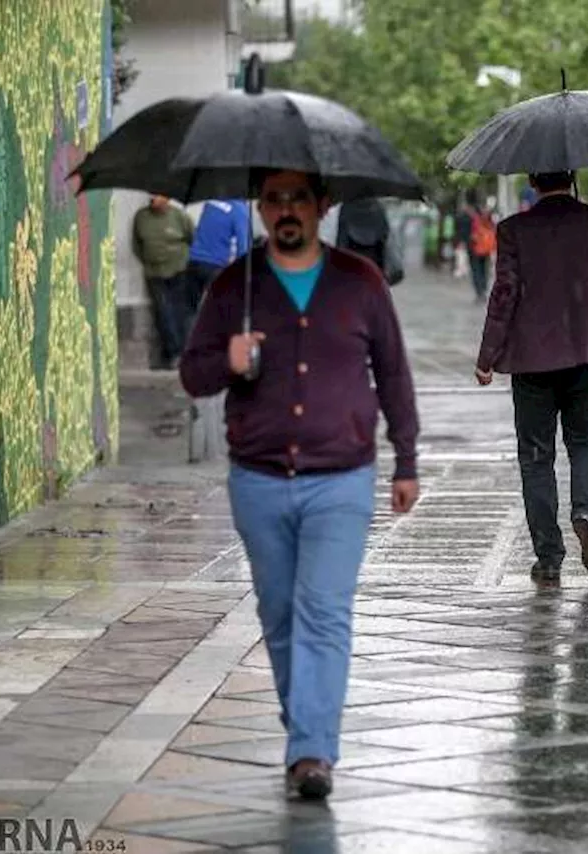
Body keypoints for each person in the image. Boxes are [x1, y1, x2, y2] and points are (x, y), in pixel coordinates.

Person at [178, 170, 420, 800]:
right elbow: (192, 374)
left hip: (341, 478)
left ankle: (311, 751)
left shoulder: (359, 282)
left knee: (324, 612)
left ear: (322, 206)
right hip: (258, 481)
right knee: (280, 615)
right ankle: (305, 729)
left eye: (298, 199)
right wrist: (226, 360)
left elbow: (393, 371)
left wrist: (407, 460)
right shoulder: (235, 286)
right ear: (260, 210)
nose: (286, 211)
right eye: (274, 200)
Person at [474, 171, 588, 583]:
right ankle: (585, 512)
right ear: (573, 176)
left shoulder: (514, 230)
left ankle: (549, 557)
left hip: (532, 361)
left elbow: (504, 294)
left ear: (532, 179)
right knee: (587, 443)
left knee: (536, 458)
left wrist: (487, 355)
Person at [132, 194, 194, 368]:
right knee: (163, 313)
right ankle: (173, 352)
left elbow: (191, 237)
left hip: (178, 269)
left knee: (179, 310)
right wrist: (147, 260)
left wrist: (182, 258)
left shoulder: (179, 216)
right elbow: (136, 244)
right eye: (152, 196)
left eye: (158, 196)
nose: (154, 199)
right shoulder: (141, 217)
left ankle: (183, 352)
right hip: (154, 272)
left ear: (167, 199)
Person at [184, 198, 251, 316]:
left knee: (190, 309)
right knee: (221, 309)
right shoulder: (239, 210)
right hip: (215, 264)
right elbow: (243, 247)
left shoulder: (210, 203)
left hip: (194, 260)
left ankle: (191, 333)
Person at [334, 197, 404, 285]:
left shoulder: (346, 207)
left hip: (352, 265)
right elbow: (384, 238)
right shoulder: (379, 208)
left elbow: (341, 241)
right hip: (374, 266)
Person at [454, 189, 495, 302]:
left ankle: (479, 292)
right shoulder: (482, 212)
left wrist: (461, 242)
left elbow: (461, 231)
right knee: (484, 268)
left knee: (475, 268)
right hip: (484, 244)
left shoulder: (464, 214)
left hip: (472, 245)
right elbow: (491, 226)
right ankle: (484, 289)